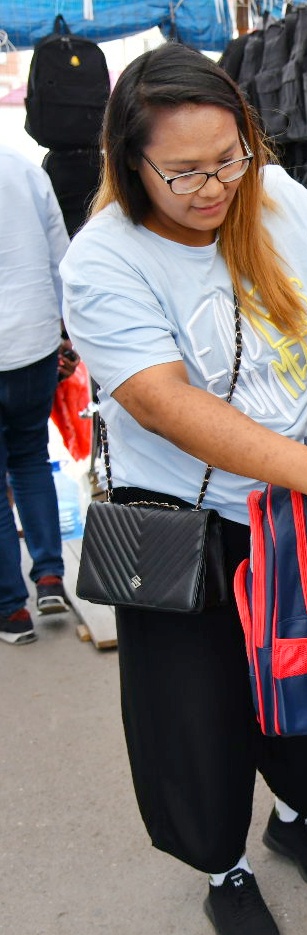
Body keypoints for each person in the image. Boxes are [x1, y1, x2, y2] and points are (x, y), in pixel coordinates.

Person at [61, 43, 307, 935]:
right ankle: (224, 867)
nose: (214, 186)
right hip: (191, 531)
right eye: (184, 171)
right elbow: (162, 401)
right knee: (199, 721)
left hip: (304, 521)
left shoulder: (284, 202)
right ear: (130, 160)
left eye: (229, 158)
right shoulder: (103, 260)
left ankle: (297, 816)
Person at [0, 143, 74, 646]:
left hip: (28, 340)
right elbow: (60, 262)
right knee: (29, 459)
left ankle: (11, 611)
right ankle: (49, 575)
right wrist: (64, 333)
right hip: (33, 343)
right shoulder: (24, 171)